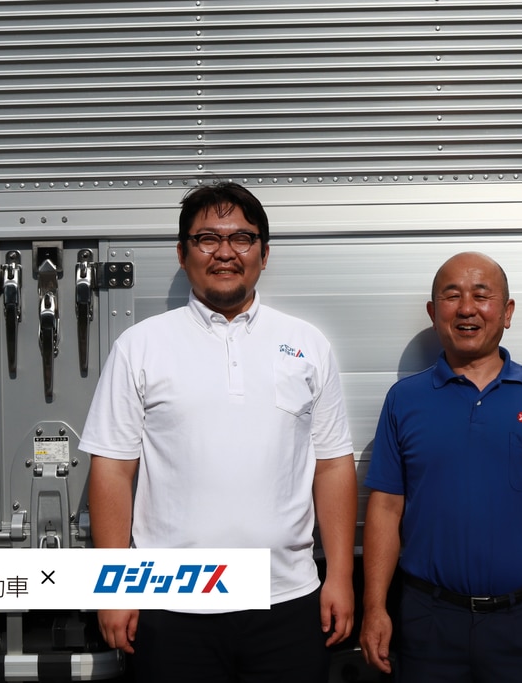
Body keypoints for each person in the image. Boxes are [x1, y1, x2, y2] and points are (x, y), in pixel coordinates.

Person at [79, 181, 357, 682]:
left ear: (264, 254)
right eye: (207, 238)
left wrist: (340, 575)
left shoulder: (306, 344)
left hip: (288, 600)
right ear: (182, 254)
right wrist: (114, 589)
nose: (225, 252)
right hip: (170, 606)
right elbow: (112, 471)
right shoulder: (140, 347)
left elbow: (333, 464)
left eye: (242, 238)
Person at [359, 251, 522, 682]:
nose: (467, 308)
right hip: (429, 622)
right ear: (434, 313)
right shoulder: (404, 399)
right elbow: (385, 507)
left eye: (481, 295)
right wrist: (375, 607)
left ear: (507, 312)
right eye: (452, 296)